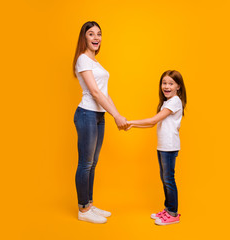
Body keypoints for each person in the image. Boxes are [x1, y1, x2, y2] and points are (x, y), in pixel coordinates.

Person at [72, 21, 128, 224]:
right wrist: (116, 116)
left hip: (98, 116)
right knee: (85, 164)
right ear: (84, 38)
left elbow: (104, 93)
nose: (96, 37)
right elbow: (95, 93)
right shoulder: (82, 60)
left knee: (93, 164)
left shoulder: (96, 63)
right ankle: (83, 209)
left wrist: (118, 115)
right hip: (86, 114)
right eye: (91, 34)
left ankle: (89, 203)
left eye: (99, 34)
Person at [126, 70, 187, 225]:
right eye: (164, 83)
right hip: (162, 146)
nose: (166, 86)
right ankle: (168, 209)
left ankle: (173, 213)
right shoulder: (167, 102)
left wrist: (131, 122)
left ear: (178, 86)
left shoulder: (175, 101)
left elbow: (153, 120)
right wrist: (132, 126)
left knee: (168, 179)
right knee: (164, 179)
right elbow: (153, 124)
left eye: (171, 83)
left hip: (169, 146)